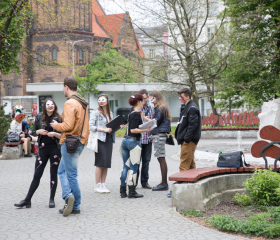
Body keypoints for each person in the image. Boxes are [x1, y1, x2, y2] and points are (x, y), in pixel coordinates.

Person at [50, 76, 89, 217]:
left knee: (71, 175)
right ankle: (70, 200)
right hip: (80, 141)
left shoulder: (70, 103)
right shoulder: (82, 102)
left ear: (66, 86)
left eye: (62, 87)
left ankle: (71, 200)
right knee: (62, 171)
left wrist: (56, 126)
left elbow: (68, 125)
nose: (62, 90)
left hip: (70, 142)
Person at [14, 99, 62, 208]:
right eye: (48, 104)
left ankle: (51, 199)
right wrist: (39, 132)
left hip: (55, 149)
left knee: (53, 174)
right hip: (43, 149)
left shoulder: (59, 118)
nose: (50, 106)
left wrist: (54, 133)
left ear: (55, 106)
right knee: (37, 175)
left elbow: (63, 135)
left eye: (52, 104)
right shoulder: (40, 117)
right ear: (45, 106)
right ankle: (27, 200)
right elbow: (33, 132)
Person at [89, 94, 123, 193]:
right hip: (100, 139)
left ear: (107, 101)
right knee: (100, 162)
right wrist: (104, 129)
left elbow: (111, 129)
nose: (101, 101)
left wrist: (118, 127)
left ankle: (103, 184)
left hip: (109, 139)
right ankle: (97, 185)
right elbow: (91, 126)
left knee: (106, 163)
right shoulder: (95, 112)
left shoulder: (110, 113)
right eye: (99, 100)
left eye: (103, 100)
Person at [120, 93, 151, 198]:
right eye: (142, 100)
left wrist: (143, 118)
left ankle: (123, 191)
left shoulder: (132, 111)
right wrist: (146, 130)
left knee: (125, 167)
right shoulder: (136, 114)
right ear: (139, 102)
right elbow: (133, 129)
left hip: (125, 141)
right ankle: (132, 192)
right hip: (133, 142)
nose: (144, 102)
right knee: (134, 167)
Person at [149, 90, 172, 191]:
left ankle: (164, 183)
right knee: (160, 157)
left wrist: (145, 120)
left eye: (152, 98)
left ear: (156, 98)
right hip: (160, 135)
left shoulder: (160, 108)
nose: (150, 100)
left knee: (161, 158)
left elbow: (156, 122)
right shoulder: (162, 107)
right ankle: (163, 182)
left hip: (159, 135)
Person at [175, 88, 201, 171]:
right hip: (187, 140)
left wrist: (186, 139)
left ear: (188, 97)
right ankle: (192, 181)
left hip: (189, 141)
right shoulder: (186, 107)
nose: (180, 98)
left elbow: (192, 125)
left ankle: (182, 182)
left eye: (181, 97)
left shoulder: (192, 108)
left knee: (184, 164)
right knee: (190, 163)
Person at [136, 89, 154, 189]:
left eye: (145, 97)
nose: (144, 100)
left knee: (146, 162)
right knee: (136, 162)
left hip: (148, 139)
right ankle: (134, 182)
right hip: (138, 139)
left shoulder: (151, 108)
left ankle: (144, 182)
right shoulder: (136, 109)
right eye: (142, 98)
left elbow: (153, 123)